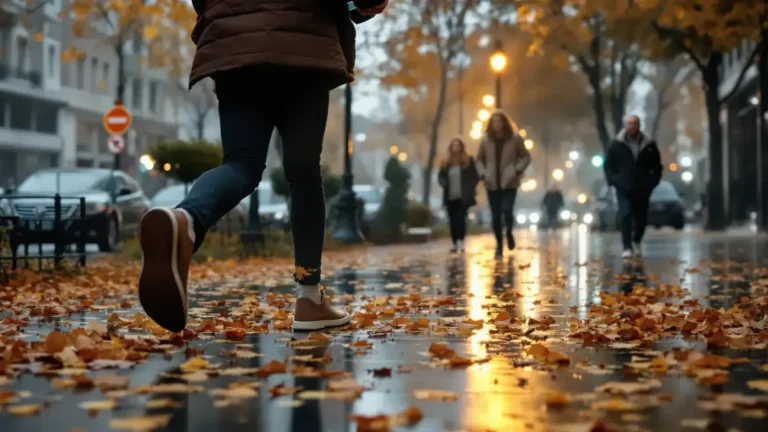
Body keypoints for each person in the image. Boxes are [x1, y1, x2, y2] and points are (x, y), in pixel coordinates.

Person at [136, 0, 389, 333]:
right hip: (304, 45)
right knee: (303, 174)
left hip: (236, 48)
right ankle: (309, 297)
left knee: (241, 164)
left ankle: (186, 220)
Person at [603, 115, 662, 259]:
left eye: (634, 123)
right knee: (625, 214)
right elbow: (608, 164)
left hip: (643, 188)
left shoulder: (649, 144)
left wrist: (652, 183)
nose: (632, 126)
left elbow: (657, 166)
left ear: (639, 125)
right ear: (625, 125)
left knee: (641, 217)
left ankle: (636, 241)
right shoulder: (617, 144)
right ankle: (627, 246)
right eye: (629, 124)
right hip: (623, 187)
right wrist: (613, 180)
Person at [477, 111, 531, 258]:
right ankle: (499, 245)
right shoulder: (485, 140)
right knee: (495, 215)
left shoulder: (515, 138)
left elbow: (526, 156)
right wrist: (483, 173)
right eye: (494, 122)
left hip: (510, 182)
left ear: (504, 123)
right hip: (491, 182)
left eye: (499, 121)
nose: (497, 125)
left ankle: (509, 232)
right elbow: (479, 159)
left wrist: (517, 169)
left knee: (507, 210)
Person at [438, 138, 480, 253]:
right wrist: (443, 182)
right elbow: (440, 176)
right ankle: (454, 242)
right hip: (450, 196)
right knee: (452, 220)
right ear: (450, 148)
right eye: (453, 145)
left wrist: (470, 188)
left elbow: (475, 177)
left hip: (463, 197)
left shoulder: (468, 161)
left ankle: (461, 240)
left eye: (458, 145)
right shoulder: (446, 163)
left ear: (462, 147)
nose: (455, 148)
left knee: (460, 219)